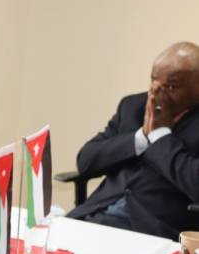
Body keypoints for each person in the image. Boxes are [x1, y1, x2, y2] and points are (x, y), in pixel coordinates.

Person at [69, 41, 199, 239]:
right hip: (95, 215)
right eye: (154, 83)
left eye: (171, 87)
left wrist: (160, 136)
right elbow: (85, 160)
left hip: (152, 229)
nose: (157, 95)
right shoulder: (133, 106)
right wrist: (141, 138)